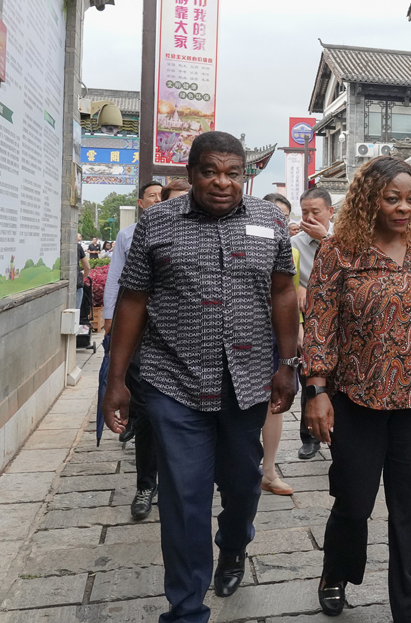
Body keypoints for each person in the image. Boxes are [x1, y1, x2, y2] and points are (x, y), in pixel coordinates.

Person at [102, 131, 300, 623]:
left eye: (233, 173)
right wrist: (116, 378)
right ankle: (187, 608)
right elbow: (133, 301)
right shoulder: (157, 224)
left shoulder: (270, 221)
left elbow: (283, 293)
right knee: (184, 497)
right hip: (174, 381)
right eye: (210, 171)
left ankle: (234, 544)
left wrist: (288, 363)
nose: (222, 182)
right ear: (190, 174)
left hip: (247, 380)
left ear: (244, 176)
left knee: (242, 484)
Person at [303, 156, 411, 621]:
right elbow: (317, 326)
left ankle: (409, 610)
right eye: (392, 198)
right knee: (354, 502)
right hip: (357, 397)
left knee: (410, 509)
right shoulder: (338, 251)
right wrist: (316, 392)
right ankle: (337, 570)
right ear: (368, 200)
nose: (403, 208)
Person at [102, 180, 164, 520]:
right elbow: (120, 285)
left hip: (187, 345)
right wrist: (110, 320)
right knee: (147, 414)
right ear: (143, 203)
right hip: (142, 337)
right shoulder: (131, 237)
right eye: (153, 197)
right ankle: (146, 484)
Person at [262, 192, 301, 496]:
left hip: (277, 336)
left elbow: (292, 296)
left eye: (284, 217)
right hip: (246, 333)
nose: (279, 222)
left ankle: (269, 470)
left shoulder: (292, 251)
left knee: (274, 406)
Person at [293, 187, 335, 460]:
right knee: (310, 377)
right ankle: (309, 436)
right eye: (305, 212)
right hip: (309, 320)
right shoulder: (294, 244)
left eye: (315, 212)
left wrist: (327, 240)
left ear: (330, 212)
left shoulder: (345, 240)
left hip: (341, 320)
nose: (309, 217)